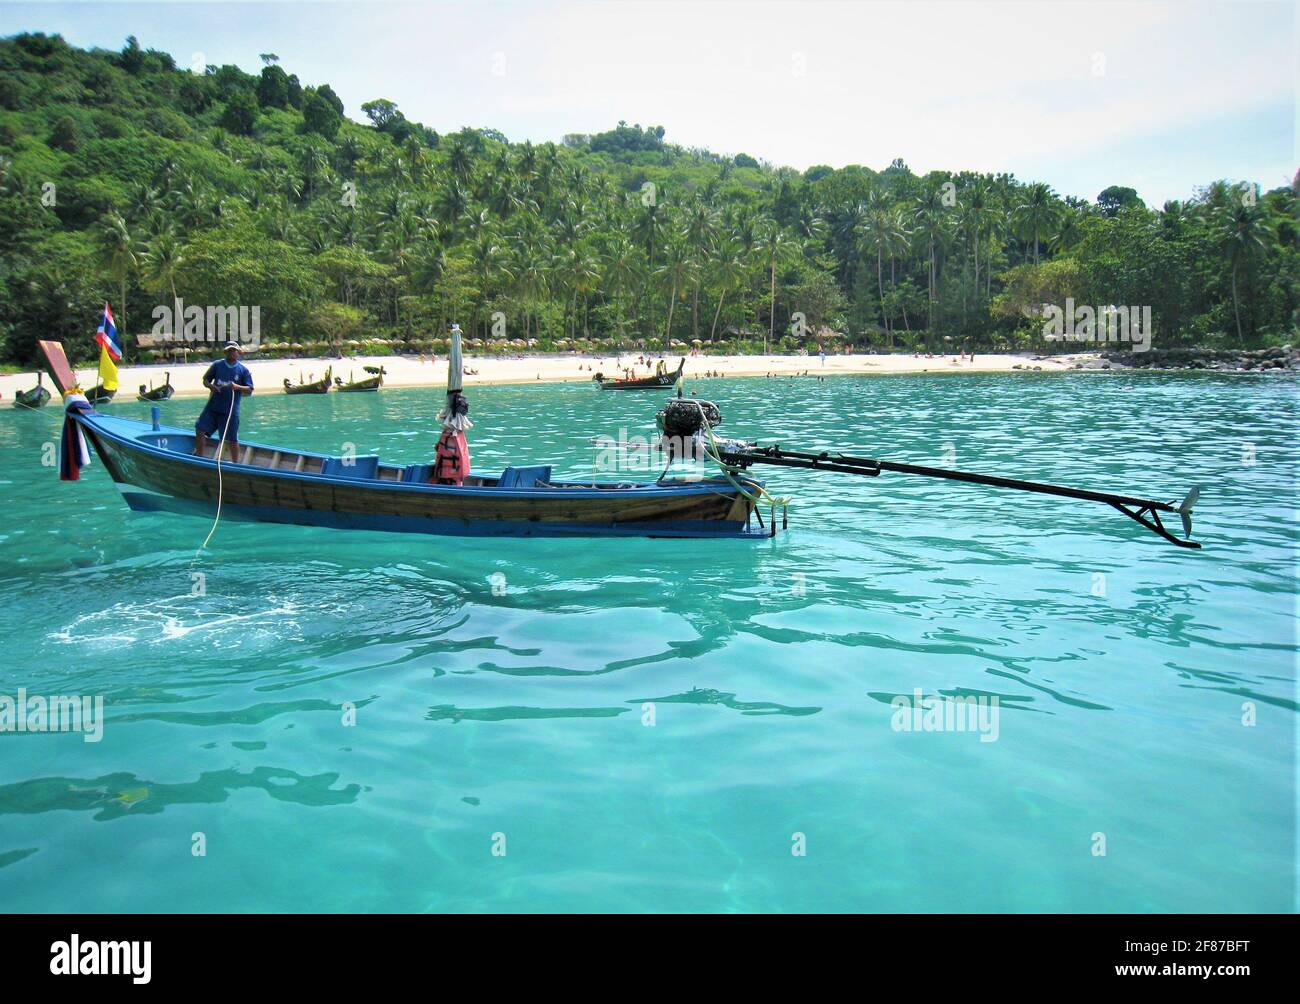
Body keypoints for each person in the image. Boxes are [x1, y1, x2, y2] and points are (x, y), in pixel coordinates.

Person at [194, 342, 253, 462]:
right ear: (225, 352)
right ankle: (199, 457)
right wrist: (211, 386)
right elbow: (205, 380)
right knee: (200, 428)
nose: (232, 353)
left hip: (230, 410)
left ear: (238, 352)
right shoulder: (217, 365)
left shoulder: (243, 370)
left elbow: (250, 390)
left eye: (234, 350)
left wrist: (236, 386)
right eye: (229, 351)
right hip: (213, 407)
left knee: (231, 439)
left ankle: (235, 464)